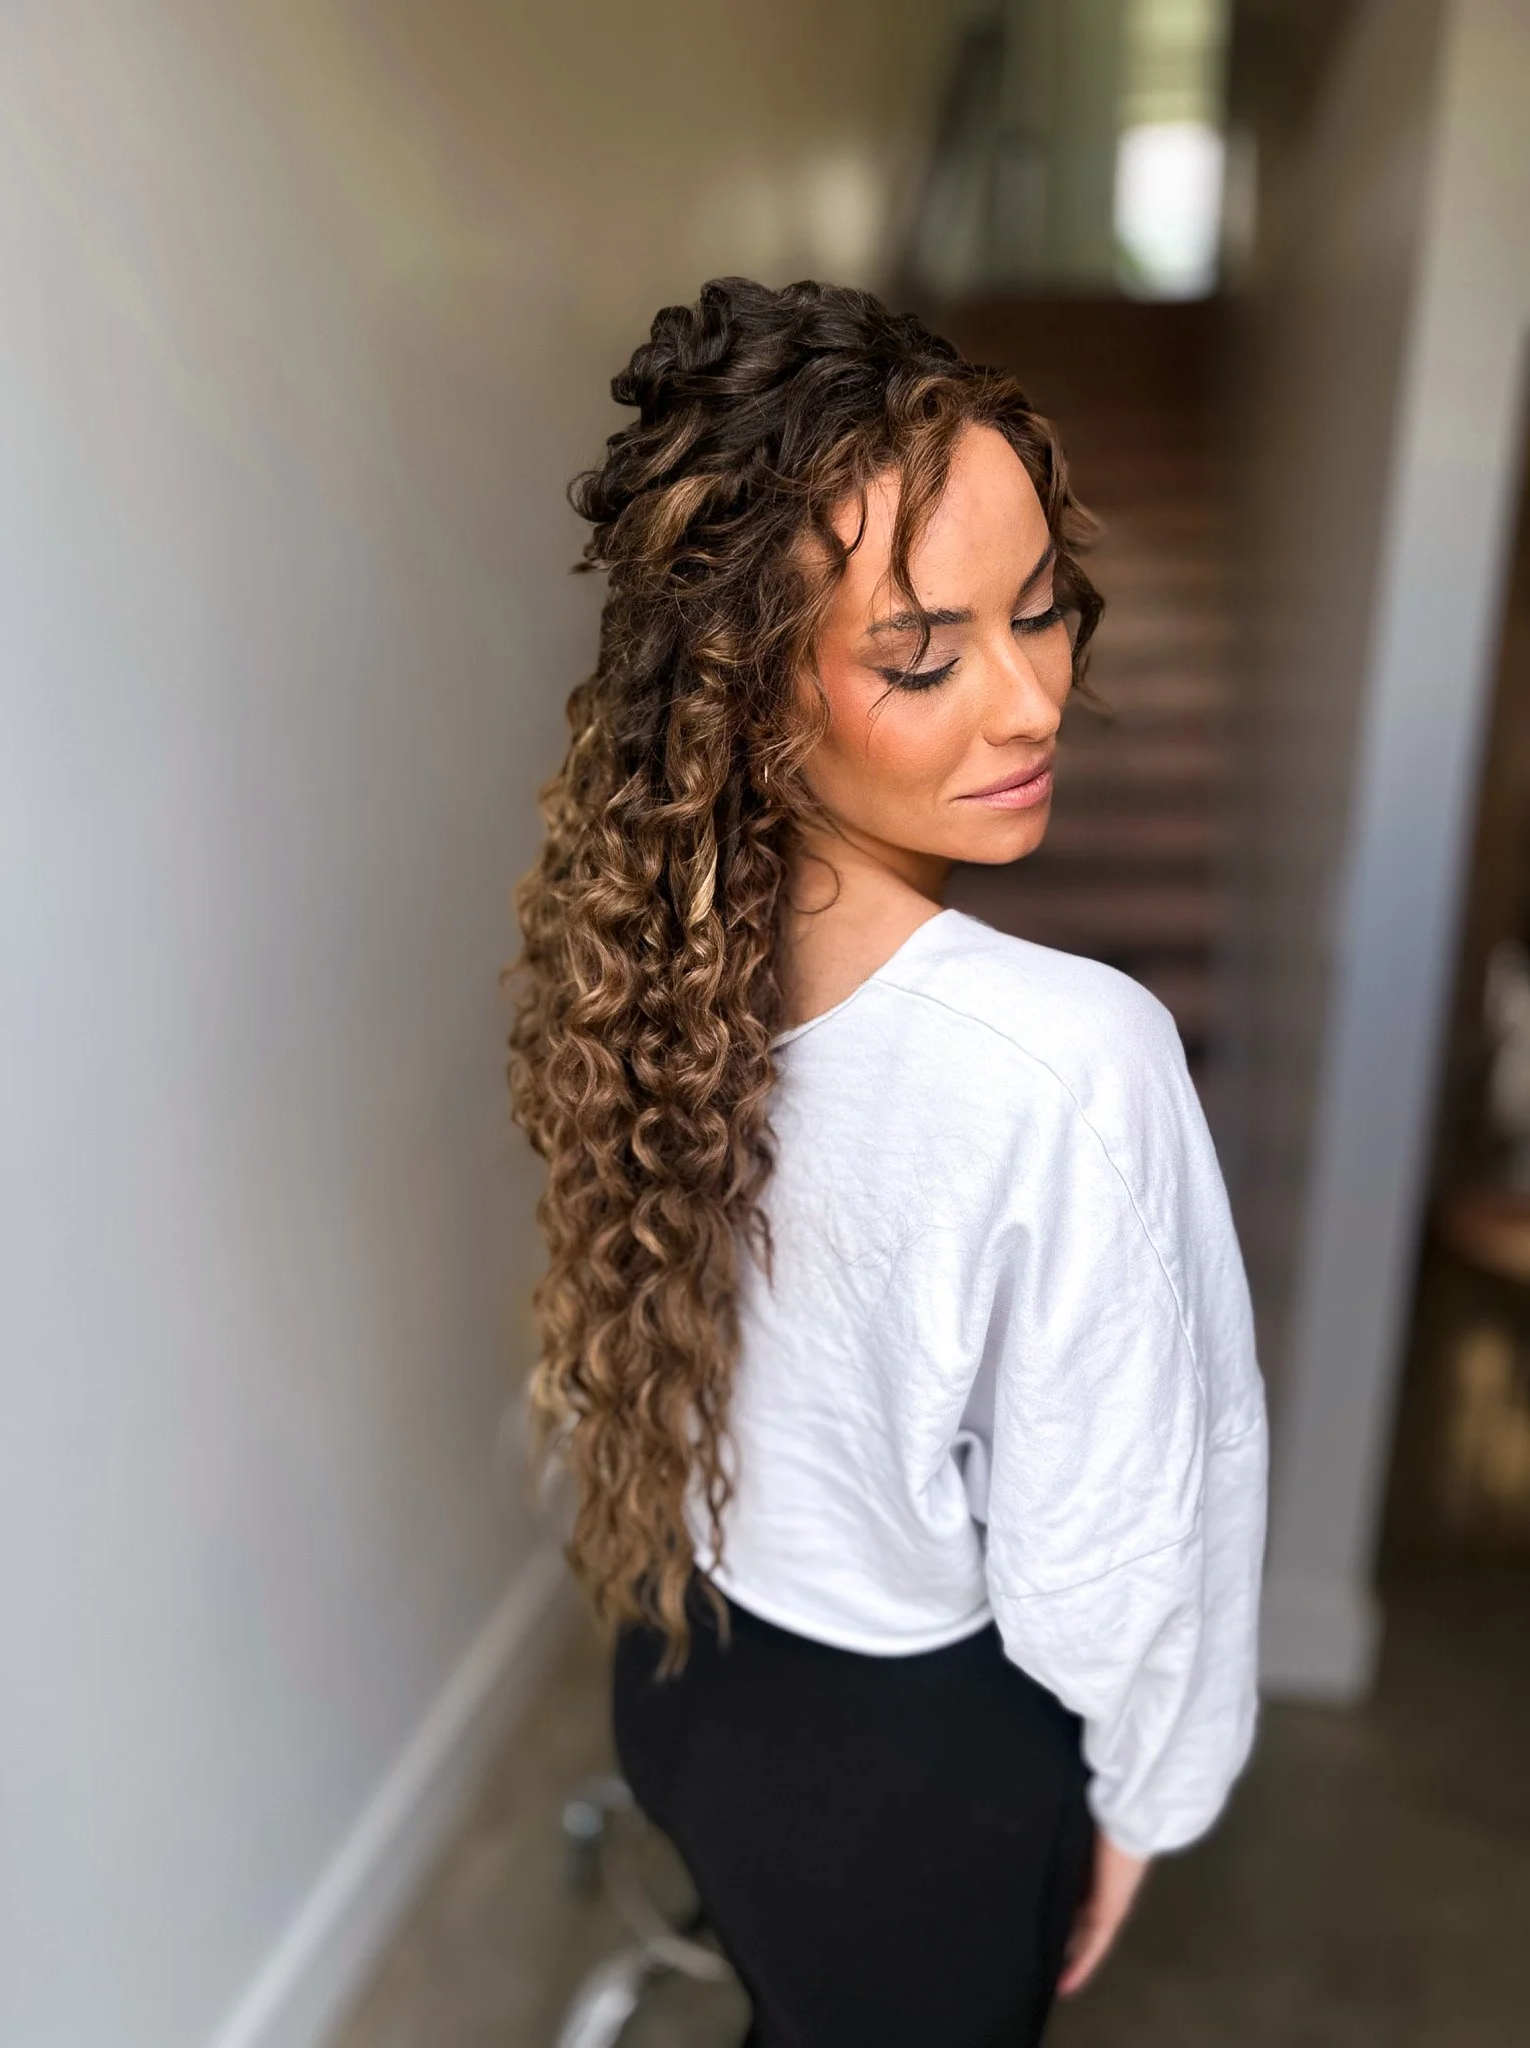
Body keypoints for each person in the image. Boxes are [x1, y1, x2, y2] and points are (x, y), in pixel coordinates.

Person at [509, 276, 1269, 2047]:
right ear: (747, 696)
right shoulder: (1072, 1060)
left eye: (1041, 609)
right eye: (923, 654)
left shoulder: (647, 963)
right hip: (912, 1800)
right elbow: (1119, 1557)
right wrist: (1146, 1801)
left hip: (686, 1682)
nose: (1031, 701)